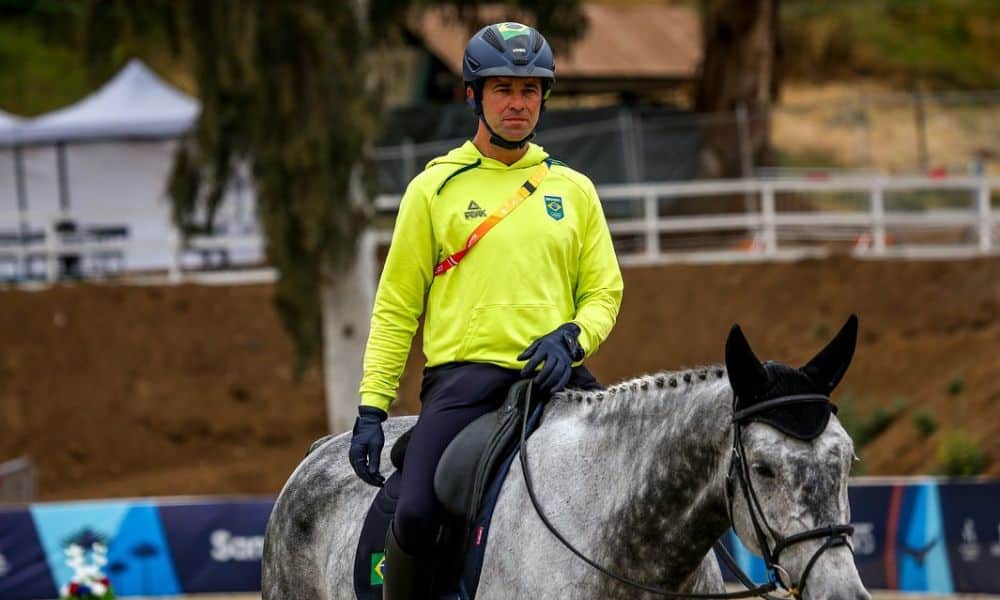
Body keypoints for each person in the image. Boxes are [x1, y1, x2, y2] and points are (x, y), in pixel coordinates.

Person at [348, 21, 623, 599]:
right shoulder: (434, 189)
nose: (518, 104)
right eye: (503, 89)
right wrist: (373, 407)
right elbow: (397, 306)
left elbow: (604, 292)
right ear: (472, 96)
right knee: (418, 511)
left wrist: (571, 338)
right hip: (464, 383)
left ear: (544, 98)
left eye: (530, 91)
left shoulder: (574, 190)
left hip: (559, 377)